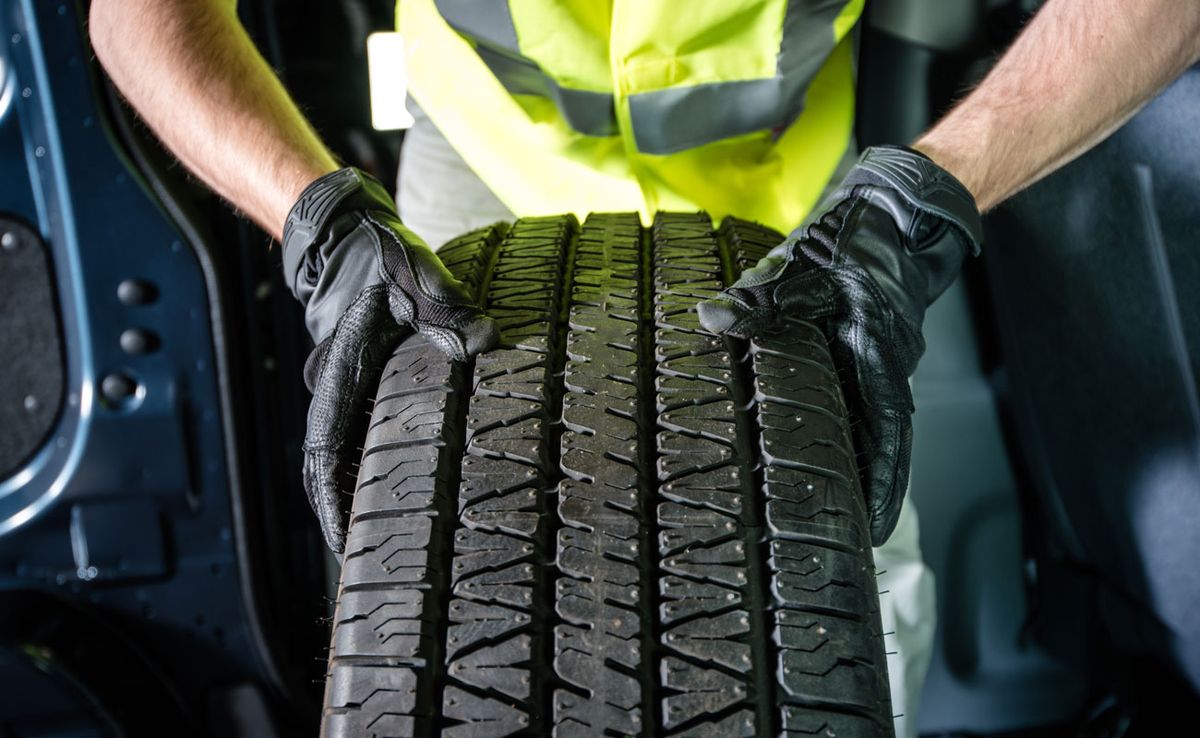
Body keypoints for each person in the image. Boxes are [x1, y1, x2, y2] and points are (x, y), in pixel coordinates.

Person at [88, 1, 1200, 735]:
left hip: (777, 181)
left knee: (828, 572)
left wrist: (919, 203)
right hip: (480, 164)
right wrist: (316, 219)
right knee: (421, 582)